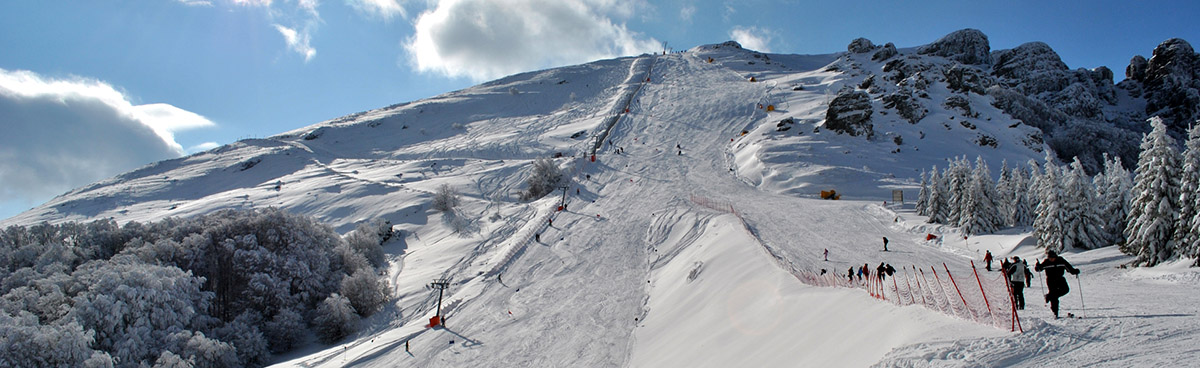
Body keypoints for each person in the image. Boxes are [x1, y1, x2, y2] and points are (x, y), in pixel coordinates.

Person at [1035, 250, 1080, 318]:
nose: (1051, 259)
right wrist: (1037, 266)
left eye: (1052, 258)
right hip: (1051, 280)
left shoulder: (1061, 260)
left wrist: (1074, 271)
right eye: (1050, 258)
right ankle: (1055, 313)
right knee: (1054, 296)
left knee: (1065, 290)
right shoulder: (1047, 262)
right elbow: (1039, 269)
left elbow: (1068, 267)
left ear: (1055, 256)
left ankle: (1049, 296)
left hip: (1060, 279)